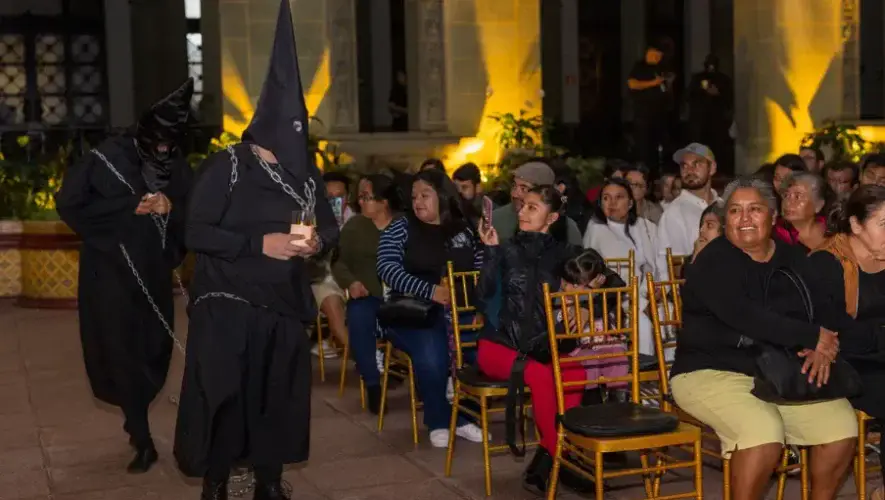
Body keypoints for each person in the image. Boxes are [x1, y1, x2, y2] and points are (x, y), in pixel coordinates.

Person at [173, 2, 338, 498]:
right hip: (228, 304)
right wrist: (255, 242)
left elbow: (328, 226)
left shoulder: (307, 176)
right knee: (225, 397)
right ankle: (217, 482)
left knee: (276, 400)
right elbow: (193, 232)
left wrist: (314, 242)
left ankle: (269, 482)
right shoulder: (229, 166)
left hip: (284, 307)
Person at [670, 177, 880, 500]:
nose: (744, 219)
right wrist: (812, 335)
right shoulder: (712, 261)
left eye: (754, 209)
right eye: (735, 211)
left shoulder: (793, 257)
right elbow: (746, 316)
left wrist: (824, 347)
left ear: (772, 215)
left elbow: (821, 308)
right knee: (763, 433)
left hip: (774, 372)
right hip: (708, 371)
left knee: (841, 425)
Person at [55, 78, 195, 473]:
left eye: (171, 144)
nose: (164, 150)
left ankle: (139, 421)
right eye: (159, 143)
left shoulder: (175, 164)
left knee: (153, 350)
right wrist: (127, 207)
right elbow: (68, 204)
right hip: (109, 277)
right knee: (120, 353)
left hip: (153, 274)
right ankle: (142, 435)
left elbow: (195, 209)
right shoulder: (105, 158)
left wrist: (171, 206)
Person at [475, 185, 596, 494]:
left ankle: (550, 461)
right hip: (499, 345)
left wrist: (585, 296)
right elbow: (483, 295)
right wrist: (488, 251)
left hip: (543, 346)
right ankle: (561, 462)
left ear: (551, 217)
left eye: (532, 207)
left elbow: (608, 278)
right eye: (522, 206)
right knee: (543, 375)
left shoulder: (564, 253)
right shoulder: (504, 248)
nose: (522, 211)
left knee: (576, 372)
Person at [376, 168, 485, 447]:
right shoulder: (402, 227)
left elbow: (483, 268)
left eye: (425, 195)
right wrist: (431, 291)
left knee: (487, 348)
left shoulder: (464, 228)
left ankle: (463, 415)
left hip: (462, 312)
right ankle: (441, 418)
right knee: (432, 351)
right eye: (414, 197)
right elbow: (386, 268)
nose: (418, 202)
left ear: (443, 196)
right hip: (413, 311)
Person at [810, 185, 885, 500]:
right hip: (843, 363)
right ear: (856, 225)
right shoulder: (828, 263)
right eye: (884, 224)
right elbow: (833, 330)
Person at [331, 174, 401, 414]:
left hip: (402, 297)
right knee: (358, 316)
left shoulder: (403, 225)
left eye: (367, 197)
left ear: (384, 201)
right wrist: (350, 282)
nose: (361, 203)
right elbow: (339, 262)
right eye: (360, 197)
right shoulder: (355, 227)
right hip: (368, 295)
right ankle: (372, 383)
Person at [582, 177, 659, 355]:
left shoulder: (645, 227)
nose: (612, 203)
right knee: (643, 325)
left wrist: (650, 297)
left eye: (619, 197)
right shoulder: (596, 229)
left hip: (647, 296)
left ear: (631, 202)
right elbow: (588, 272)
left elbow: (656, 266)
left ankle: (667, 376)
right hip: (614, 300)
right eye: (606, 198)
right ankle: (641, 374)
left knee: (668, 317)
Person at [656, 143, 720, 276]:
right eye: (684, 165)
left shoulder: (725, 205)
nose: (689, 171)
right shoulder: (674, 213)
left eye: (696, 164)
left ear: (712, 168)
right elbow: (674, 269)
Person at [492, 160, 582, 245]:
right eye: (514, 186)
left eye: (524, 189)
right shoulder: (496, 220)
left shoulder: (567, 229)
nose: (514, 194)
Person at [627, 44, 674, 172]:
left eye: (660, 56)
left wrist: (668, 84)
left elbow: (665, 89)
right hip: (643, 113)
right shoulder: (640, 67)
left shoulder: (660, 68)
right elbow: (632, 84)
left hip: (659, 112)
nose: (658, 58)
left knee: (659, 142)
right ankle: (642, 169)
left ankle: (657, 169)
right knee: (643, 143)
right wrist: (653, 83)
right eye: (656, 55)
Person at [686, 54, 733, 174]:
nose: (711, 67)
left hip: (717, 121)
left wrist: (717, 94)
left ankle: (718, 172)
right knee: (700, 148)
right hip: (700, 121)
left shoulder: (723, 79)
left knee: (717, 148)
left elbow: (729, 99)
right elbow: (689, 96)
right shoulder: (697, 79)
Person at [773, 172, 828, 252]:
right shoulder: (774, 235)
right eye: (786, 195)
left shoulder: (833, 229)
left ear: (818, 205)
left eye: (797, 196)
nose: (788, 202)